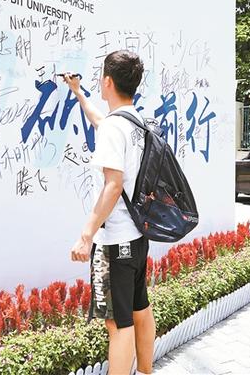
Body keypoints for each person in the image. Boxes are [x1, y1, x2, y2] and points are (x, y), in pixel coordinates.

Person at [65, 50, 156, 375]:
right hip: (137, 237)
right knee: (140, 310)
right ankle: (146, 371)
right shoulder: (136, 123)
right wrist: (78, 94)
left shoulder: (114, 128)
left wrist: (86, 234)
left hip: (114, 242)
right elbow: (100, 122)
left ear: (107, 81)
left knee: (118, 324)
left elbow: (113, 185)